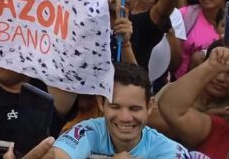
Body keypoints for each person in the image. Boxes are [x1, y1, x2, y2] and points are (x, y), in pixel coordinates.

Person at [52, 62, 190, 158]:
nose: (125, 117)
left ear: (149, 107)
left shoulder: (169, 151)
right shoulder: (85, 132)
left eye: (134, 109)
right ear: (101, 103)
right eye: (115, 107)